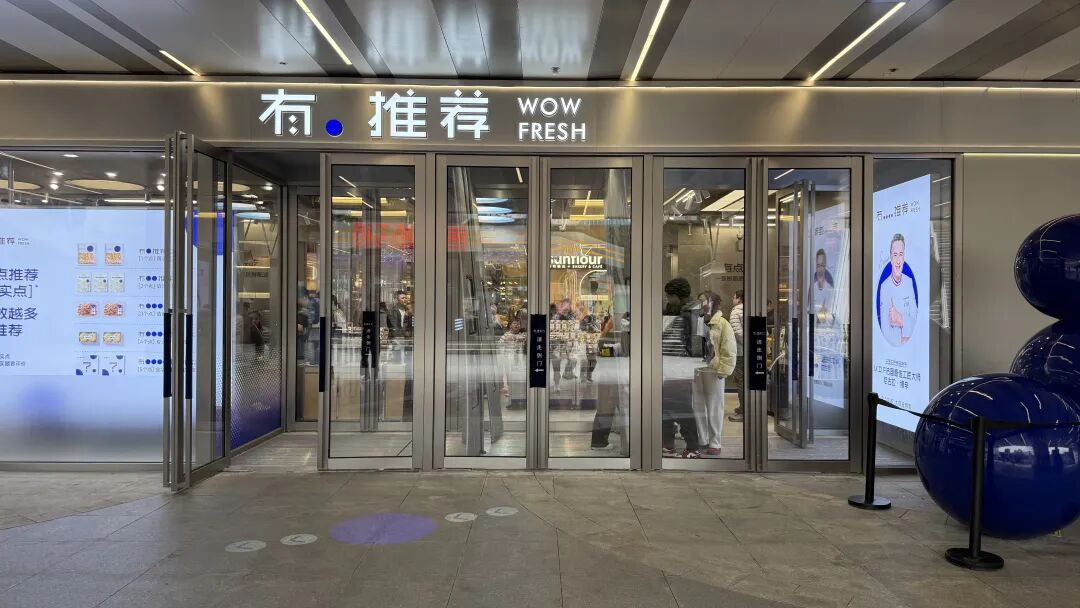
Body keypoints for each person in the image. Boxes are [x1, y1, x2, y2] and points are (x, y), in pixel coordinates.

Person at [693, 294, 736, 456]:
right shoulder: (696, 321)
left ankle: (715, 441)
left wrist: (724, 370)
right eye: (700, 300)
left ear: (714, 303)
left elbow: (729, 348)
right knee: (697, 406)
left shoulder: (722, 323)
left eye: (706, 300)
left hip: (714, 370)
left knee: (714, 407)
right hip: (696, 369)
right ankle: (702, 439)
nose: (703, 303)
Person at [879, 233, 917, 346]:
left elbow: (915, 319)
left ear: (904, 257)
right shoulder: (884, 286)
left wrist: (901, 319)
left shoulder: (909, 282)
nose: (898, 260)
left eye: (901, 254)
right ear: (891, 258)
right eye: (895, 255)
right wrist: (903, 340)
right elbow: (885, 330)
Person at [727, 290, 745, 423]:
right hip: (747, 351)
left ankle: (744, 411)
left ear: (739, 299)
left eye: (734, 297)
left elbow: (737, 332)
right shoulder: (750, 309)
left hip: (741, 351)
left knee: (741, 380)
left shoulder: (736, 311)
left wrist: (746, 344)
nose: (733, 299)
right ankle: (743, 407)